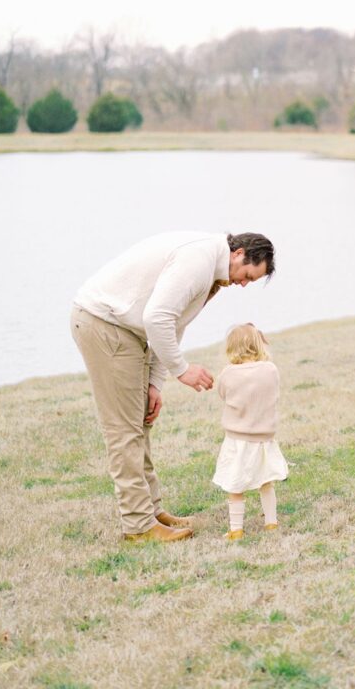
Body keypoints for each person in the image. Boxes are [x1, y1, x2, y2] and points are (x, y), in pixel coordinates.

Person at [70, 231, 275, 542]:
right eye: (247, 275)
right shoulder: (199, 260)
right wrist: (182, 370)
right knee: (124, 430)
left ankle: (152, 511)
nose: (243, 284)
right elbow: (157, 319)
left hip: (129, 332)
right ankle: (138, 526)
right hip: (106, 325)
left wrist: (155, 383)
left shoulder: (213, 272)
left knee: (141, 422)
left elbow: (172, 324)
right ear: (238, 253)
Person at [212, 323, 288, 541]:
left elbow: (223, 394)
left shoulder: (228, 374)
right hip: (264, 439)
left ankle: (236, 528)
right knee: (266, 481)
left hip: (238, 439)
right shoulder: (270, 370)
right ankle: (271, 522)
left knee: (235, 485)